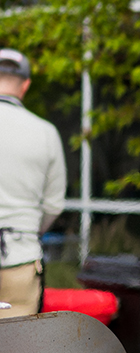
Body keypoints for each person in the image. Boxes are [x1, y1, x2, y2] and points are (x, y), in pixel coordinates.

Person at [0, 49, 67, 317]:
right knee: (16, 351)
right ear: (25, 85)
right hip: (21, 257)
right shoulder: (46, 132)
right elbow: (53, 205)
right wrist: (28, 232)